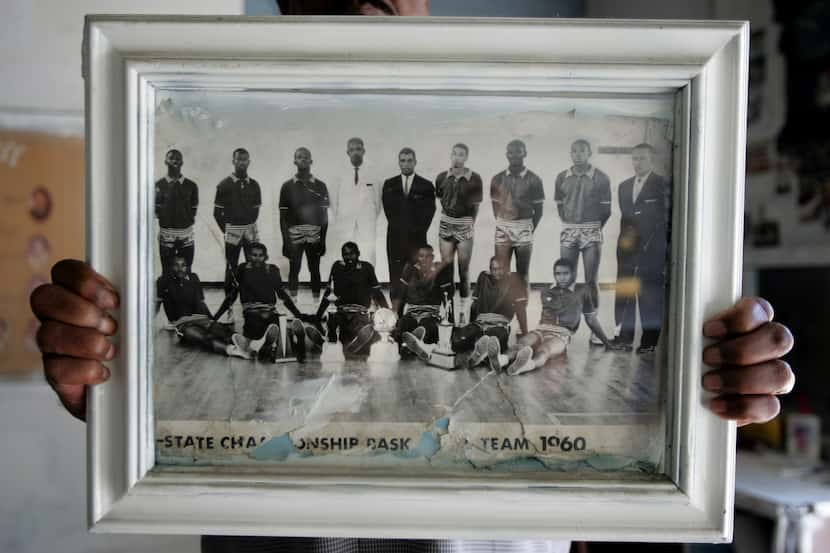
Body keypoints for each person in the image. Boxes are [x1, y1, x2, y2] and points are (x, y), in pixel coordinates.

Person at [31, 3, 796, 553]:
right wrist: (133, 406)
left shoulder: (446, 192)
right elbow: (328, 248)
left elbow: (614, 507)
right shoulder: (260, 145)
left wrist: (675, 430)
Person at [487, 258, 614, 376]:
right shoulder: (547, 291)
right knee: (523, 343)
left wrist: (607, 343)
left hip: (561, 335)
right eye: (558, 274)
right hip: (541, 329)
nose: (562, 278)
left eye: (565, 273)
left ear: (573, 273)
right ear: (554, 275)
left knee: (544, 350)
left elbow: (591, 319)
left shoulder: (583, 291)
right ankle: (501, 360)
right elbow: (554, 309)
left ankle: (527, 365)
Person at [403, 256, 529, 369]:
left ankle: (480, 355)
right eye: (493, 269)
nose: (497, 272)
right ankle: (428, 347)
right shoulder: (484, 277)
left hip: (499, 325)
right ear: (490, 269)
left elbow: (520, 310)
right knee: (457, 339)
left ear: (507, 268)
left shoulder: (514, 280)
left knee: (492, 339)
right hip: (480, 322)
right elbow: (474, 304)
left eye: (500, 269)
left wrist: (524, 333)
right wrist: (470, 327)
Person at [612, 143, 670, 354]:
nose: (638, 162)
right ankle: (624, 338)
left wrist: (657, 250)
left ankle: (649, 342)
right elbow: (626, 219)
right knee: (625, 292)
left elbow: (664, 221)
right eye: (635, 158)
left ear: (651, 160)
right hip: (627, 249)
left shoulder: (662, 184)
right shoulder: (624, 186)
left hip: (652, 250)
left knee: (649, 296)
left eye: (643, 158)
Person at [554, 139, 612, 346]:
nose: (577, 154)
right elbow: (560, 207)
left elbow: (606, 211)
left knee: (590, 280)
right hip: (569, 229)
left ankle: (595, 331)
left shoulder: (601, 178)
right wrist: (571, 223)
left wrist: (592, 227)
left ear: (589, 153)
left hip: (591, 229)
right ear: (571, 153)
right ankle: (563, 327)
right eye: (574, 151)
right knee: (565, 280)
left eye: (582, 151)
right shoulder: (562, 177)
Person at [217, 242, 310, 363]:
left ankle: (297, 344)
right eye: (254, 255)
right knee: (258, 331)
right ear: (249, 256)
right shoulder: (242, 269)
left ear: (266, 256)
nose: (257, 258)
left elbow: (282, 295)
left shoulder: (272, 270)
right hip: (252, 313)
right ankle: (270, 344)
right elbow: (232, 295)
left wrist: (298, 314)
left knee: (279, 332)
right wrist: (216, 316)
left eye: (260, 255)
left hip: (270, 311)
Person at [155, 255, 248, 359]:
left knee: (222, 331)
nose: (180, 268)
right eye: (176, 265)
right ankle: (232, 350)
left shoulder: (194, 277)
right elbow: (157, 303)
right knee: (205, 338)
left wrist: (212, 320)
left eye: (183, 265)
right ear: (170, 267)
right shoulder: (163, 281)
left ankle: (246, 345)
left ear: (188, 267)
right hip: (183, 324)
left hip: (202, 318)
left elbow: (201, 303)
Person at [311, 241, 389, 356]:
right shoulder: (337, 267)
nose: (349, 257)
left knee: (363, 331)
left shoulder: (366, 268)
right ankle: (328, 342)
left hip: (359, 313)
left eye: (352, 254)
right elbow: (328, 293)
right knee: (333, 324)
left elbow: (377, 293)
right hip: (341, 312)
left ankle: (354, 345)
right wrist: (318, 316)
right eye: (345, 254)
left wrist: (387, 313)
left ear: (358, 254)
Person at [435, 143, 483, 323]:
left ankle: (463, 314)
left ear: (466, 157)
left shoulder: (475, 178)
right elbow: (443, 202)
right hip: (446, 224)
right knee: (446, 270)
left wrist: (469, 224)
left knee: (464, 271)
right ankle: (448, 314)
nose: (457, 157)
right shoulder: (441, 177)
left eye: (461, 154)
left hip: (465, 224)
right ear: (450, 155)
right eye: (454, 154)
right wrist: (451, 219)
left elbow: (476, 207)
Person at [213, 148, 262, 322]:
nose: (242, 162)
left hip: (250, 229)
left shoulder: (254, 185)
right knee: (231, 270)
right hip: (232, 229)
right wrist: (228, 230)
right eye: (238, 159)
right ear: (233, 161)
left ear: (249, 162)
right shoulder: (224, 184)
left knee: (254, 267)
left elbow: (256, 212)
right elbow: (217, 214)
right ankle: (229, 310)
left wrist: (248, 226)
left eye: (245, 160)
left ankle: (253, 306)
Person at [382, 147, 436, 300]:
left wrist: (414, 233)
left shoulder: (426, 185)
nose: (406, 164)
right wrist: (401, 232)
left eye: (409, 161)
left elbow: (429, 213)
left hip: (417, 240)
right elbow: (389, 212)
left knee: (416, 274)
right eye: (403, 161)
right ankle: (395, 313)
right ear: (399, 162)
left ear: (415, 162)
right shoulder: (389, 184)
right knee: (395, 276)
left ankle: (415, 309)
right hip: (395, 238)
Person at [490, 139, 545, 286]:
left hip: (524, 226)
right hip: (503, 227)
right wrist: (505, 221)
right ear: (506, 154)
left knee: (523, 273)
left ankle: (522, 309)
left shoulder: (534, 179)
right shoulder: (497, 178)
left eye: (518, 152)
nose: (514, 155)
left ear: (525, 153)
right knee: (501, 272)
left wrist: (529, 227)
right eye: (511, 152)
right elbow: (495, 207)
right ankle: (503, 309)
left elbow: (539, 211)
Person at [279, 147, 330, 299]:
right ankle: (293, 304)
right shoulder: (287, 186)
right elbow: (282, 216)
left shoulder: (320, 185)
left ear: (311, 161)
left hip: (315, 231)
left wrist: (323, 239)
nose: (303, 159)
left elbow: (324, 216)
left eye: (306, 157)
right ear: (294, 161)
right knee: (294, 269)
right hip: (294, 232)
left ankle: (316, 304)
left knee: (314, 269)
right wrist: (285, 241)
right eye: (299, 157)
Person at [392, 244, 452, 356]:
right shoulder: (410, 268)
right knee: (401, 326)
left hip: (430, 314)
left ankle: (413, 344)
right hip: (412, 313)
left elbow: (447, 297)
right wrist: (397, 316)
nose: (424, 259)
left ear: (433, 257)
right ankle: (412, 344)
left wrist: (450, 321)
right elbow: (401, 293)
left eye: (427, 256)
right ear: (417, 257)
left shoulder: (440, 270)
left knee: (427, 328)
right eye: (421, 256)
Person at [330, 137, 382, 266]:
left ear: (363, 151)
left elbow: (377, 202)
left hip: (367, 223)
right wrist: (341, 218)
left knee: (368, 254)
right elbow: (333, 201)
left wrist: (368, 217)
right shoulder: (339, 174)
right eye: (352, 150)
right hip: (345, 223)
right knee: (344, 254)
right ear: (347, 152)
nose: (355, 152)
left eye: (358, 149)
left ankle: (368, 285)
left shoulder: (373, 173)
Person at [155, 149, 199, 277]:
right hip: (167, 233)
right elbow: (156, 210)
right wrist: (167, 219)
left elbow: (193, 209)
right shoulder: (158, 185)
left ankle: (186, 296)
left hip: (186, 233)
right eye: (171, 158)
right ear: (165, 162)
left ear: (182, 162)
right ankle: (167, 297)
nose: (175, 160)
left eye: (178, 158)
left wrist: (185, 219)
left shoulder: (191, 185)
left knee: (187, 268)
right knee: (167, 269)